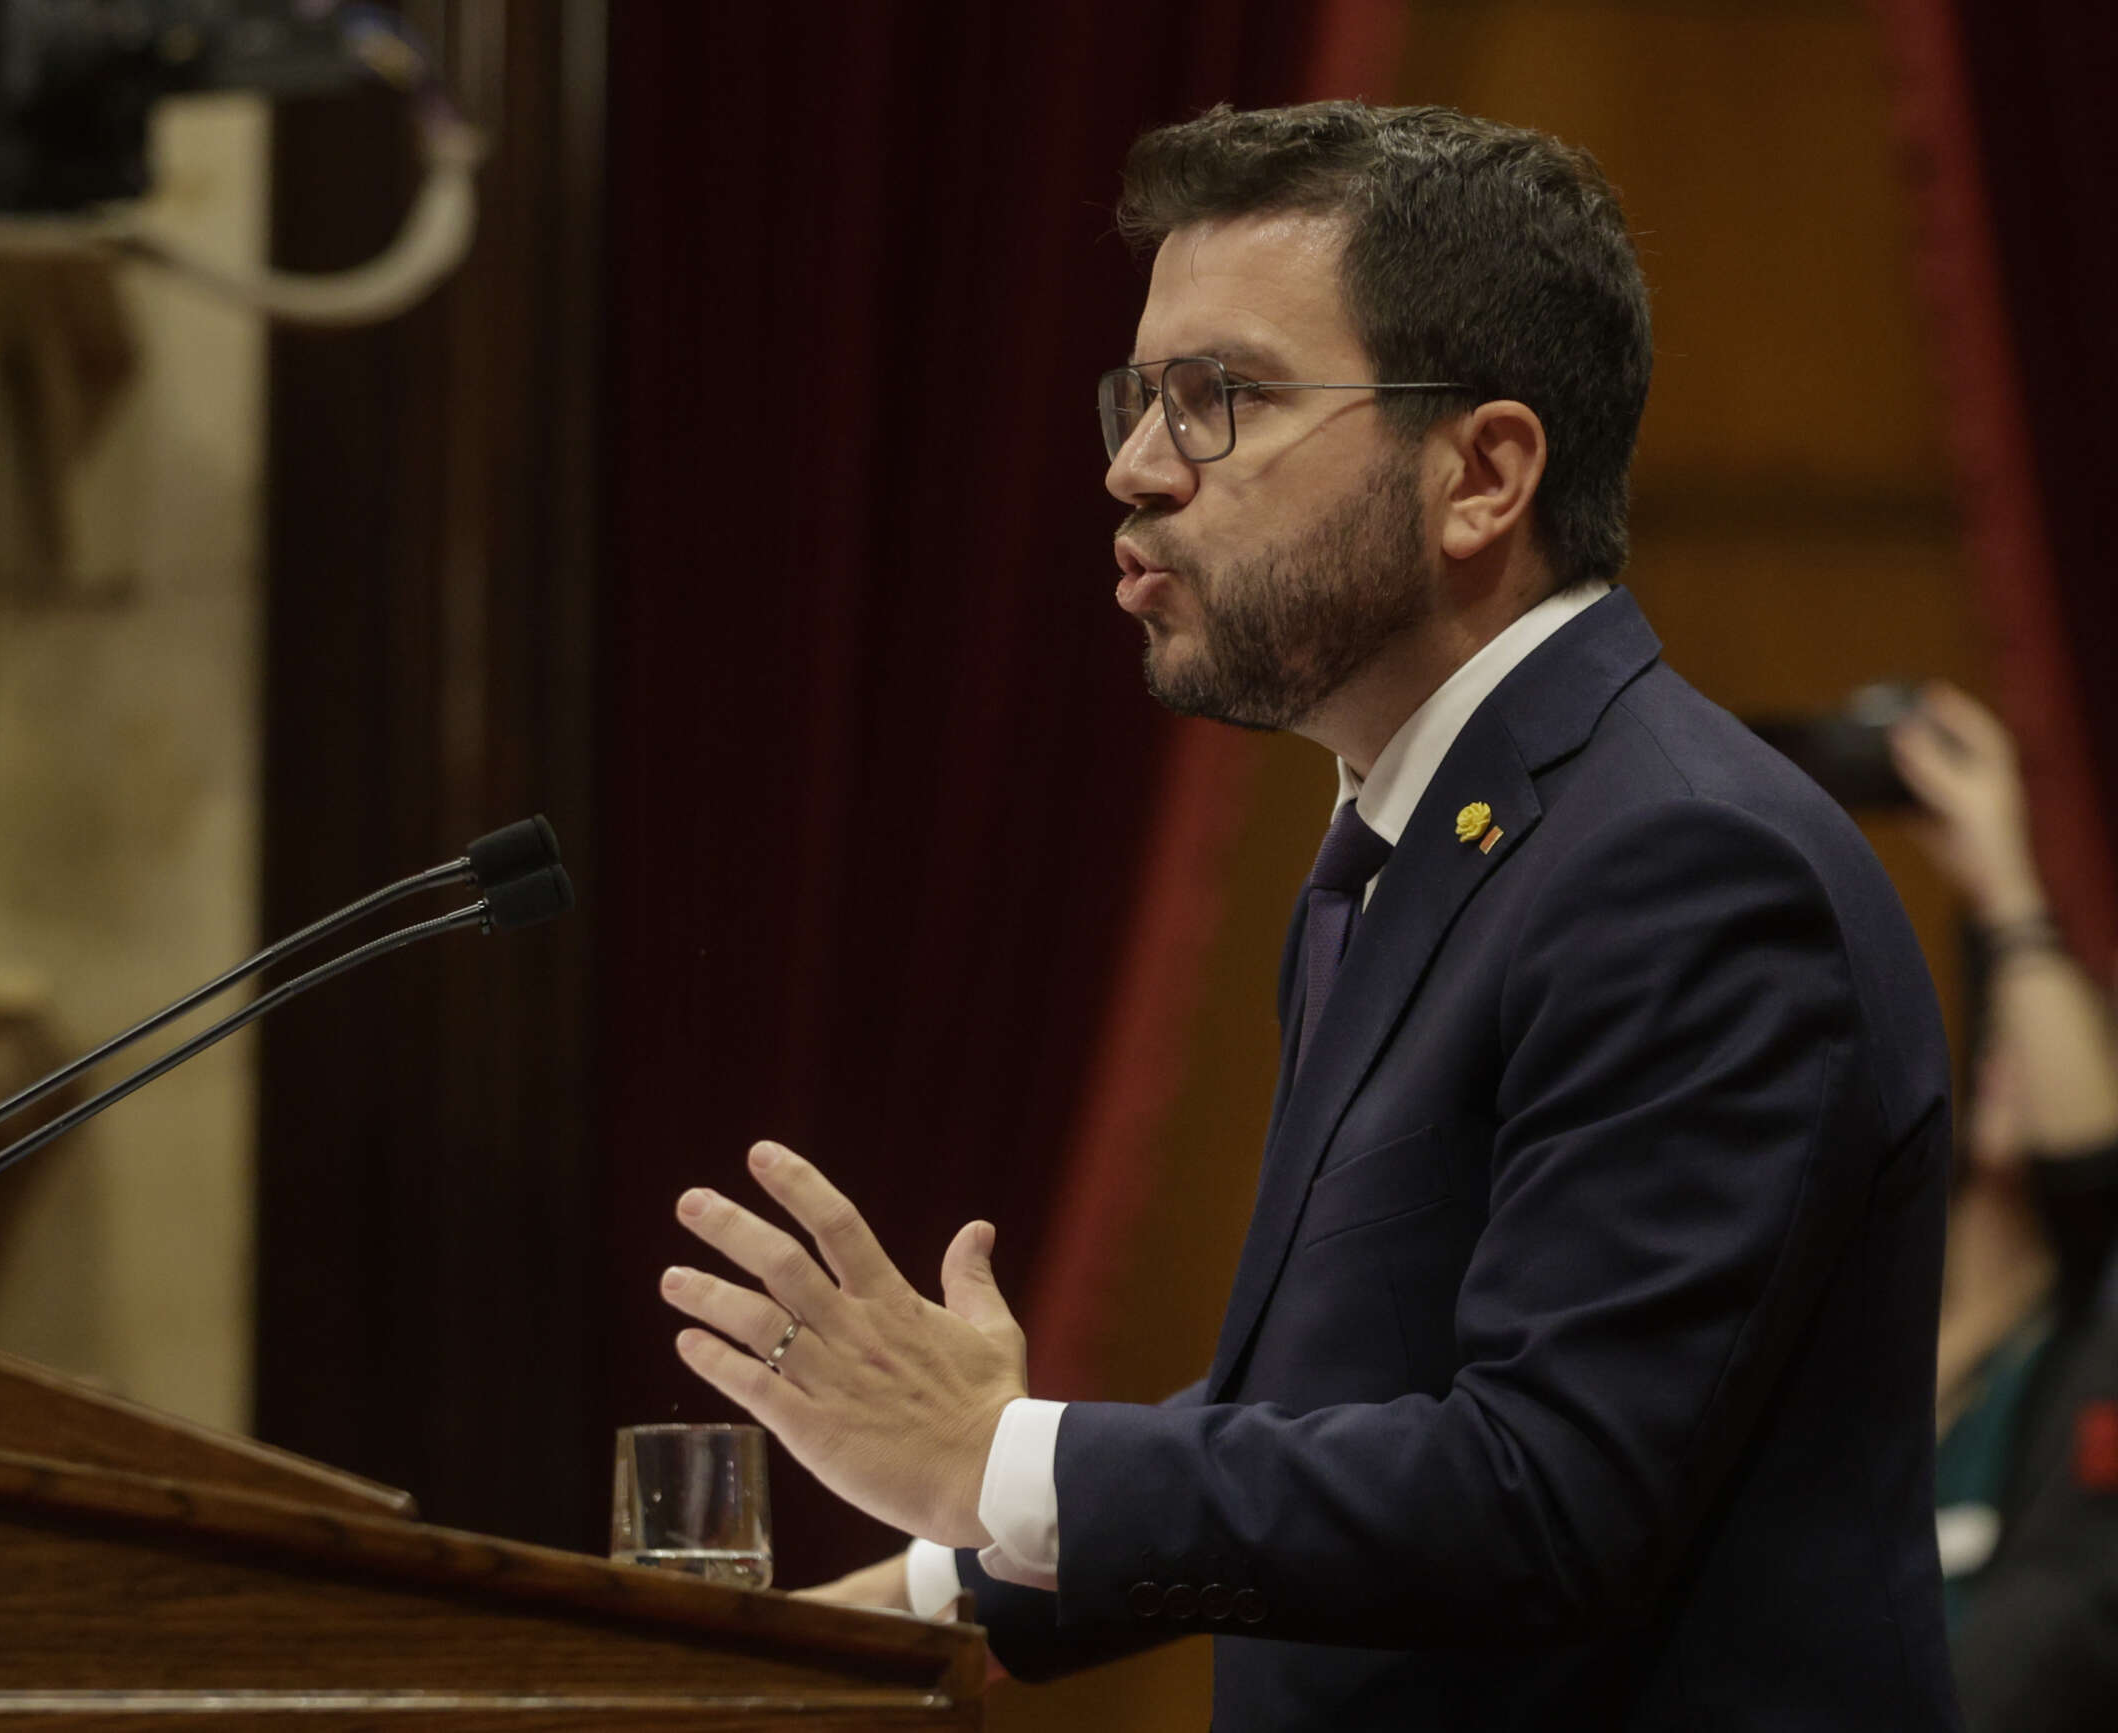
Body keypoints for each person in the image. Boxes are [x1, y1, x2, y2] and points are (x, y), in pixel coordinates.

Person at [655, 102, 1958, 1729]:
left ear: (1479, 472)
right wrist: (916, 1592)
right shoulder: (1416, 845)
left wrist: (996, 1458)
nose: (1134, 469)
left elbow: (1535, 1487)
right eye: (1140, 399)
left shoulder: (1686, 866)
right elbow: (1353, 1403)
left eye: (1221, 400)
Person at [1892, 683, 2118, 1728]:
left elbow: (2086, 1158)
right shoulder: (1870, 1298)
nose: (2020, 1047)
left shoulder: (2080, 1340)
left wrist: (2004, 874)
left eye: (2075, 1021)